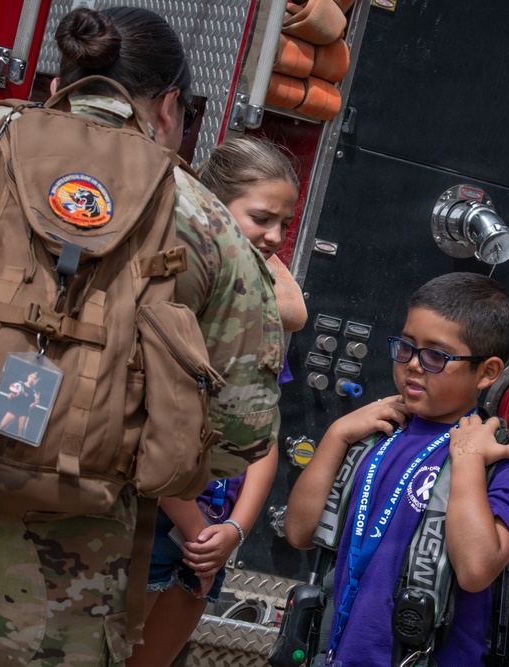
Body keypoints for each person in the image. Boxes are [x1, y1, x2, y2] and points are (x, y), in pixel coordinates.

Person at [0, 7, 282, 666]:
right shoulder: (206, 223)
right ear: (170, 106)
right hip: (63, 601)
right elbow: (237, 436)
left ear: (66, 72)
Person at [284, 272, 509, 665]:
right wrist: (335, 436)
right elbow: (299, 532)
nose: (413, 365)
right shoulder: (375, 435)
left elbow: (475, 570)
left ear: (487, 372)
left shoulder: (501, 461)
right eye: (405, 346)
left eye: (436, 355)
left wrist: (467, 461)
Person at [127, 136, 305, 667]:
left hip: (211, 540)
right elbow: (143, 427)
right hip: (160, 523)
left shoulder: (254, 317)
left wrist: (234, 530)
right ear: (208, 206)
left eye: (285, 225)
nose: (274, 238)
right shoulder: (174, 299)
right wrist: (195, 528)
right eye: (262, 218)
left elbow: (263, 428)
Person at [0, 370, 40, 439]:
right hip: (14, 408)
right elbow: (10, 396)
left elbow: (30, 407)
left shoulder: (34, 392)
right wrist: (11, 395)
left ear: (36, 381)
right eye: (31, 377)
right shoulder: (19, 384)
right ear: (28, 376)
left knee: (21, 433)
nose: (32, 379)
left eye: (34, 379)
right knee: (1, 427)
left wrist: (35, 403)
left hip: (24, 412)